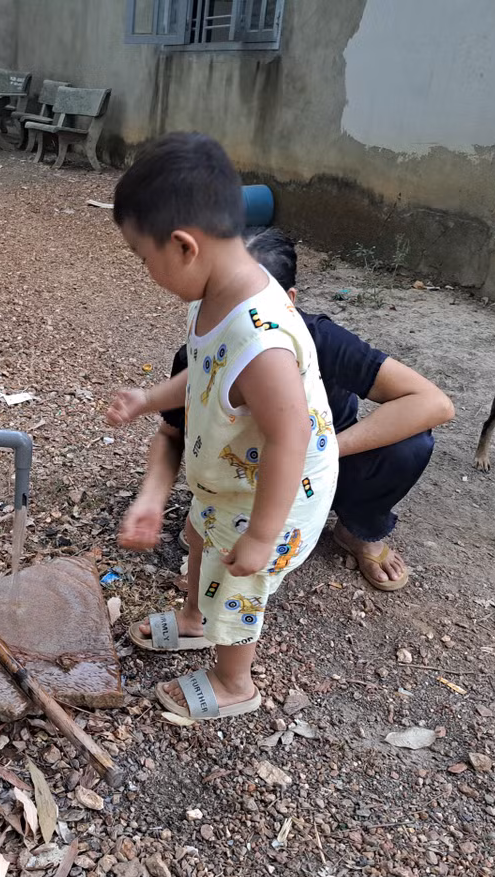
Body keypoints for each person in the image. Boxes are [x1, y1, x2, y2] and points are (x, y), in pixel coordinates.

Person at [105, 133, 339, 720]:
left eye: (143, 258)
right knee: (197, 538)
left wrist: (262, 537)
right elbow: (204, 374)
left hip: (278, 494)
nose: (143, 271)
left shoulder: (261, 342)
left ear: (184, 246)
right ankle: (191, 619)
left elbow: (291, 435)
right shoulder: (213, 294)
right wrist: (149, 397)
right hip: (232, 479)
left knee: (238, 585)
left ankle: (234, 681)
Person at [120, 227, 455, 605]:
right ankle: (207, 551)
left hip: (325, 463)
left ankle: (360, 526)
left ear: (288, 302)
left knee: (411, 442)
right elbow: (171, 433)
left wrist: (318, 455)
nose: (228, 320)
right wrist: (151, 498)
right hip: (239, 479)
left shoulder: (320, 339)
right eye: (216, 298)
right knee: (208, 550)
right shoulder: (204, 349)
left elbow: (434, 403)